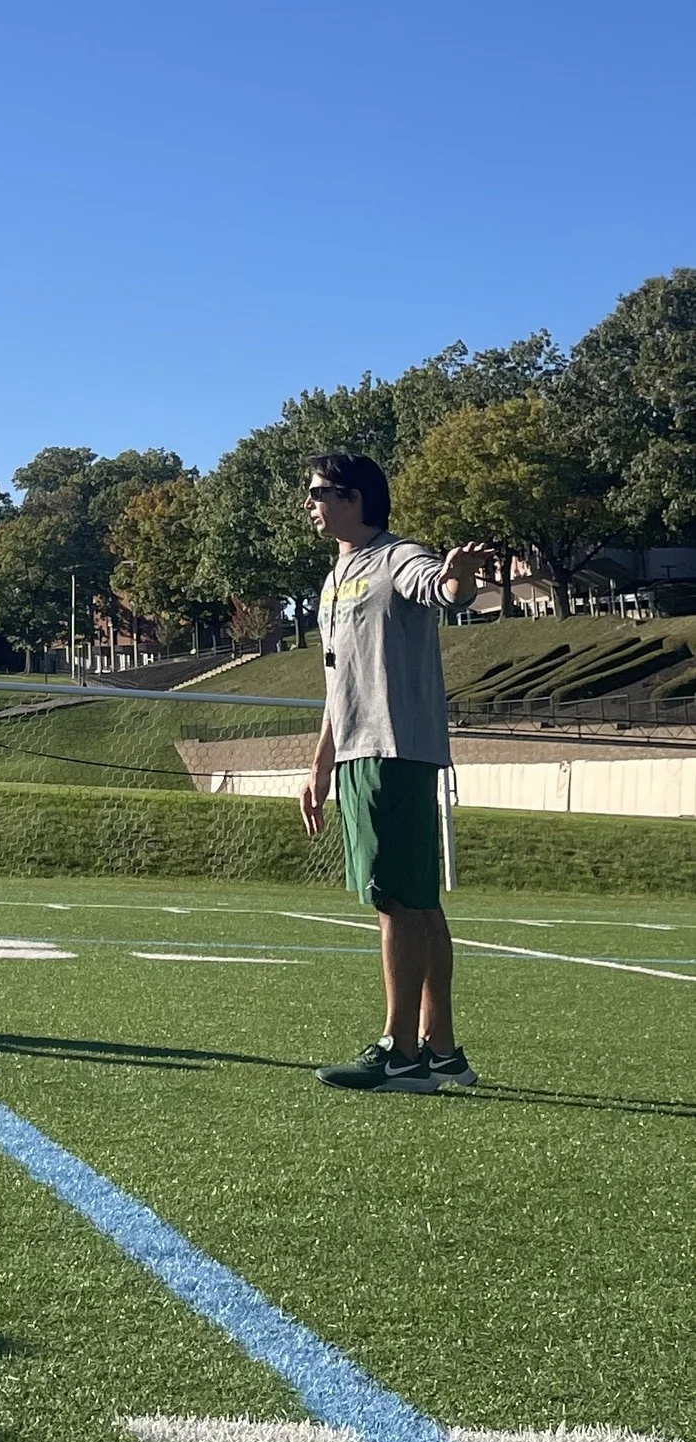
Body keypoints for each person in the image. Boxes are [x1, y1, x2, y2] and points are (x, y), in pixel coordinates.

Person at [298, 451, 493, 1093]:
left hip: (395, 749)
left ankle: (399, 1050)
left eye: (319, 492)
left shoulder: (395, 557)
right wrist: (320, 763)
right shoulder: (332, 578)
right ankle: (442, 1050)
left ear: (353, 498)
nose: (310, 504)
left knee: (396, 902)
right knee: (418, 899)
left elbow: (440, 588)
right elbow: (336, 683)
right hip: (356, 750)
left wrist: (459, 580)